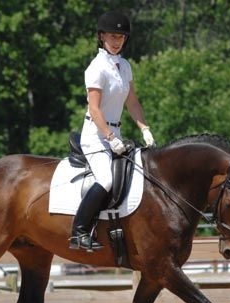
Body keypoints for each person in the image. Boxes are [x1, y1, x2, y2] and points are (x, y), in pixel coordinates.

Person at [69, 10, 155, 251]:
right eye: (112, 36)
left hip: (116, 135)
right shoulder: (96, 68)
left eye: (121, 37)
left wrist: (145, 128)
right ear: (102, 37)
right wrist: (108, 136)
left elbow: (133, 102)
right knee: (106, 179)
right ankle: (79, 231)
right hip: (96, 136)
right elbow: (94, 109)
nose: (117, 41)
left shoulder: (125, 66)